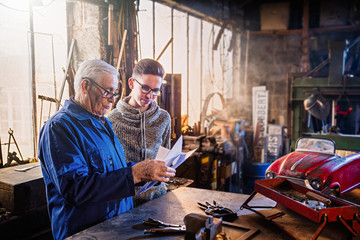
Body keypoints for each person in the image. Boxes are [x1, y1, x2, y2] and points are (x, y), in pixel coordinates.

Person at [38, 59, 176, 240]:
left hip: (113, 227)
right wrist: (134, 174)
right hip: (83, 233)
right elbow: (76, 189)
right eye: (107, 92)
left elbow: (113, 171)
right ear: (85, 85)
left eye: (114, 93)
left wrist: (146, 174)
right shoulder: (59, 128)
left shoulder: (101, 123)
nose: (112, 100)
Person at [107, 58, 171, 206]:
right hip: (126, 199)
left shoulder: (163, 118)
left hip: (158, 196)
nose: (149, 95)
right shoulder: (111, 120)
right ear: (131, 83)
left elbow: (166, 155)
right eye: (145, 88)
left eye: (155, 91)